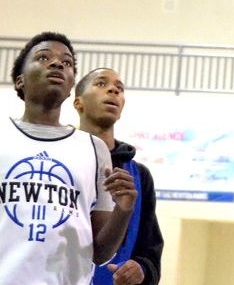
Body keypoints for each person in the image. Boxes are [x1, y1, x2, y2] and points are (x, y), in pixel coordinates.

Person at [1, 32, 138, 285]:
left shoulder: (94, 148)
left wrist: (124, 210)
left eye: (66, 63)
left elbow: (100, 253)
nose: (57, 64)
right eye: (44, 58)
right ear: (20, 81)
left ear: (71, 84)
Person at [74, 68, 164, 285]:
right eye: (101, 84)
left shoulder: (139, 175)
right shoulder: (58, 162)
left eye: (119, 88)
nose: (113, 90)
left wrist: (141, 268)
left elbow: (150, 248)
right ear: (78, 103)